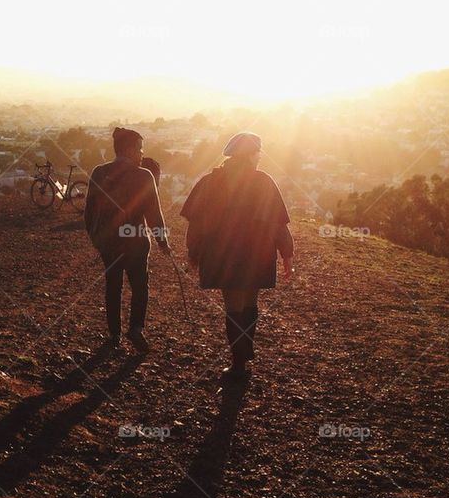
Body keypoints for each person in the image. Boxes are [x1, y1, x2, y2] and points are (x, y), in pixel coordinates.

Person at [181, 132, 293, 380]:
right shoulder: (263, 182)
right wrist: (287, 254)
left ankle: (239, 360)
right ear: (251, 155)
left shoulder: (210, 182)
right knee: (250, 302)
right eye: (258, 153)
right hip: (257, 255)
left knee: (233, 306)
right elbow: (278, 224)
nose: (259, 157)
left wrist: (193, 253)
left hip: (223, 256)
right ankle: (245, 351)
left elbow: (196, 224)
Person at [84, 127, 171, 351]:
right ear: (131, 149)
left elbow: (89, 211)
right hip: (136, 242)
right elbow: (154, 215)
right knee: (140, 287)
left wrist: (96, 238)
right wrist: (163, 241)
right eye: (140, 149)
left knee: (113, 286)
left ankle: (114, 334)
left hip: (108, 243)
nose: (142, 154)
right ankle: (136, 329)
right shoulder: (144, 176)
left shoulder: (99, 172)